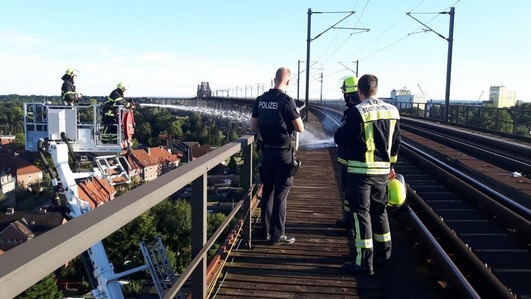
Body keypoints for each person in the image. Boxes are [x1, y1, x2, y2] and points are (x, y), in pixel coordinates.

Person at [334, 74, 401, 275]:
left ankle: (364, 262)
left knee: (360, 214)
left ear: (360, 91)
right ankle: (385, 254)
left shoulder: (357, 112)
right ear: (376, 89)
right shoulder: (393, 111)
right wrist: (390, 166)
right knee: (380, 212)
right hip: (382, 171)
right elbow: (396, 142)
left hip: (360, 171)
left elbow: (341, 138)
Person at [250, 67, 304, 245]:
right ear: (288, 82)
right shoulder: (287, 101)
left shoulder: (260, 100)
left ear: (274, 79)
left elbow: (254, 126)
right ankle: (277, 235)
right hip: (283, 155)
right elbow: (300, 128)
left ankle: (263, 232)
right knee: (281, 195)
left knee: (268, 192)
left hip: (267, 153)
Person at [335, 76, 361, 238]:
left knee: (354, 196)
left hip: (355, 163)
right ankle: (347, 218)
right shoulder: (354, 110)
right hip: (349, 161)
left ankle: (353, 223)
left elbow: (342, 138)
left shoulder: (355, 113)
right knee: (347, 192)